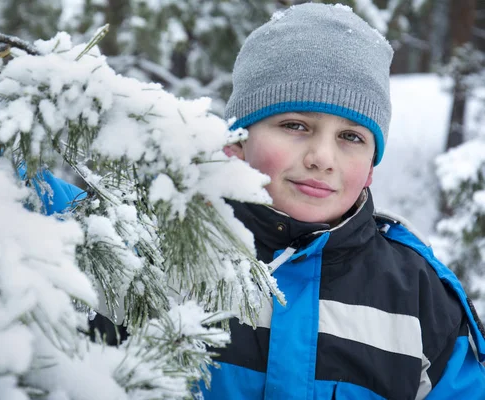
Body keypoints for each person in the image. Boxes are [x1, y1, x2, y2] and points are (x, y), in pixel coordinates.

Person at [198, 3, 485, 399]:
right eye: (295, 125)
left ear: (370, 168)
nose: (322, 158)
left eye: (351, 137)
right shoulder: (162, 252)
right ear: (237, 142)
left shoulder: (418, 299)